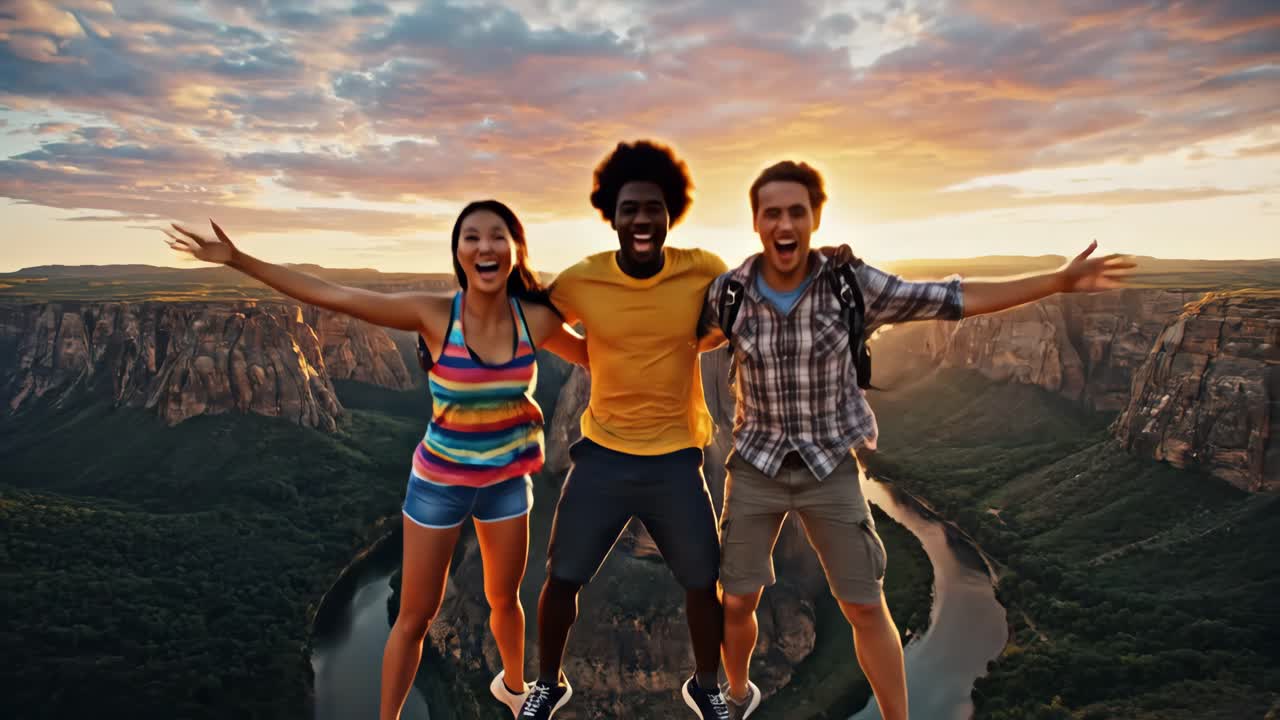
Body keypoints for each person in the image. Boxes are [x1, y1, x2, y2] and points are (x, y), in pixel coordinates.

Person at [700, 161, 1135, 720]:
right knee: (735, 599)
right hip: (755, 468)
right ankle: (736, 698)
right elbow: (661, 333)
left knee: (864, 605)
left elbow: (951, 297)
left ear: (814, 218)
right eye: (772, 213)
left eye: (796, 211)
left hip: (829, 469)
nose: (785, 223)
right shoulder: (728, 294)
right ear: (756, 222)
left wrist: (1057, 280)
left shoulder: (851, 285)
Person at [162, 200, 588, 720]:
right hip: (438, 485)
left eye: (496, 236)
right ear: (458, 253)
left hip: (507, 484)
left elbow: (604, 355)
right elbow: (335, 295)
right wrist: (237, 258)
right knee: (414, 616)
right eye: (471, 237)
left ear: (516, 247)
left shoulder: (537, 320)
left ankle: (518, 691)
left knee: (504, 600)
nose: (485, 246)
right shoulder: (432, 313)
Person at [516, 140, 733, 720]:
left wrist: (697, 342)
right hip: (603, 459)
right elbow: (527, 320)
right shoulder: (583, 280)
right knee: (561, 578)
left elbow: (742, 312)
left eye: (654, 208)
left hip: (676, 462)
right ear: (611, 215)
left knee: (701, 582)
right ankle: (548, 683)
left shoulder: (703, 269)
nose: (643, 219)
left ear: (671, 214)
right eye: (630, 208)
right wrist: (440, 336)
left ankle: (707, 685)